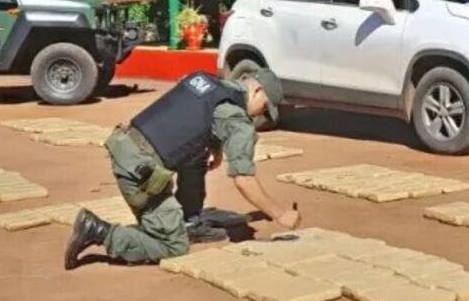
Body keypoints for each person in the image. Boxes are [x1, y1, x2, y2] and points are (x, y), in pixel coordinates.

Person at [64, 69, 302, 270]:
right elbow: (243, 179)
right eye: (264, 108)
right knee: (173, 246)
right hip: (139, 172)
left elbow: (191, 114)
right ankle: (99, 231)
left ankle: (189, 222)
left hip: (125, 143)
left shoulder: (208, 81)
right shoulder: (236, 119)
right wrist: (280, 214)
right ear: (257, 91)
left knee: (198, 155)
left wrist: (216, 148)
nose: (261, 115)